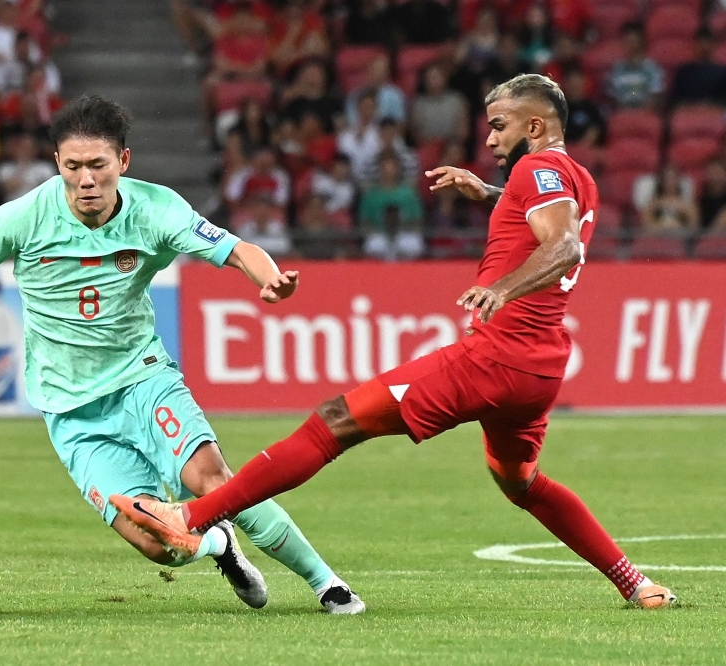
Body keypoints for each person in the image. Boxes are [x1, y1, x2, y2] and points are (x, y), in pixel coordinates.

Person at [114, 75, 677, 610]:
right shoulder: (575, 177)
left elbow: (563, 249)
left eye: (499, 125)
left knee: (333, 422)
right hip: (541, 370)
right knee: (521, 481)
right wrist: (487, 192)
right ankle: (636, 583)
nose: (489, 136)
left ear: (535, 127)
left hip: (493, 358)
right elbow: (545, 216)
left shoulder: (537, 177)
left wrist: (500, 288)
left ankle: (192, 519)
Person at [0, 95, 365, 615]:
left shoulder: (156, 210)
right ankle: (217, 547)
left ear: (122, 161)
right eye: (73, 166)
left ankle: (327, 583)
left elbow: (233, 248)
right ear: (56, 163)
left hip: (142, 378)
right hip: (71, 412)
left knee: (213, 480)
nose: (86, 180)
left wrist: (268, 278)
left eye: (99, 165)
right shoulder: (24, 218)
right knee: (160, 547)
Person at [607, 22, 663, 109]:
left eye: (632, 41)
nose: (629, 45)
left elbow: (654, 99)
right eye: (627, 41)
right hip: (622, 114)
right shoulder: (616, 69)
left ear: (641, 42)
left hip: (644, 115)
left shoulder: (652, 70)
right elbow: (612, 99)